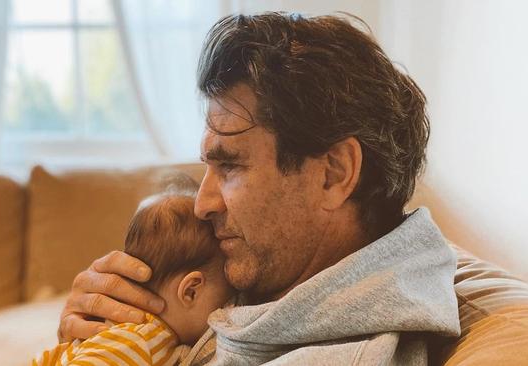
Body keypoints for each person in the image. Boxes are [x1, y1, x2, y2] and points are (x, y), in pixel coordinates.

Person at [57, 12, 460, 365]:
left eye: (230, 165)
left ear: (334, 173)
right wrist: (92, 336)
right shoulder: (275, 273)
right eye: (209, 168)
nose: (202, 204)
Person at [35, 191, 235, 365]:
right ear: (191, 291)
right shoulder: (140, 341)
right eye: (226, 299)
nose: (230, 307)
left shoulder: (138, 339)